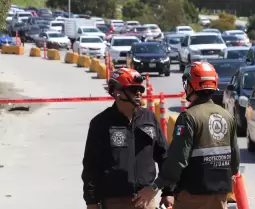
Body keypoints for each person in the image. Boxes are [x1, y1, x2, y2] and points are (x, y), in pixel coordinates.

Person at [133, 62, 240, 209]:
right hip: (220, 194)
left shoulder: (188, 117)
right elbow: (235, 161)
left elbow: (178, 160)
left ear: (191, 86)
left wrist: (155, 186)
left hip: (192, 194)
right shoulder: (227, 116)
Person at [81, 68, 174, 209]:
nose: (138, 94)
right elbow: (91, 166)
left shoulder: (149, 118)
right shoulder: (100, 123)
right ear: (117, 92)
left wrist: (168, 191)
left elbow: (164, 157)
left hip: (146, 200)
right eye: (133, 90)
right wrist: (91, 201)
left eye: (140, 90)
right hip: (114, 202)